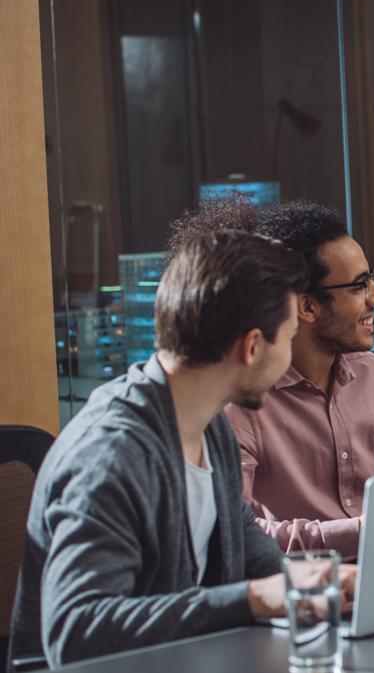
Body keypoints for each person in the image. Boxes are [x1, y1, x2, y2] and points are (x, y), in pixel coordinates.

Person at [9, 231, 355, 668]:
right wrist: (253, 598)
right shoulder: (111, 455)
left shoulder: (211, 429)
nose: (288, 357)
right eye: (287, 338)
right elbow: (76, 631)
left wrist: (325, 582)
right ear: (251, 347)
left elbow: (254, 559)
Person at [167, 199, 374, 559]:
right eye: (360, 286)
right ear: (307, 306)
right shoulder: (241, 401)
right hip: (301, 593)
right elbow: (238, 536)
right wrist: (359, 532)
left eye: (371, 279)